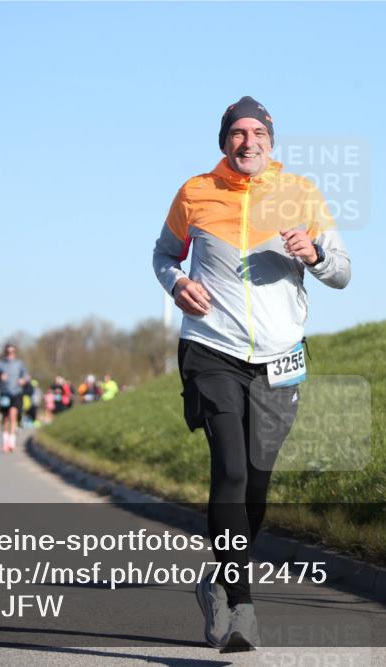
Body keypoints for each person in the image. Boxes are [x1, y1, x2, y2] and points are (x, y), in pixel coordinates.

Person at [152, 97, 351, 651]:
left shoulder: (300, 193)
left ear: (271, 140)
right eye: (238, 133)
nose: (248, 141)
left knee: (258, 487)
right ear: (224, 142)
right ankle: (241, 607)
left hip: (279, 358)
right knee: (232, 470)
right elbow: (164, 255)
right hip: (211, 349)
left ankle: (218, 579)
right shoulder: (195, 192)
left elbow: (343, 273)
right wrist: (177, 284)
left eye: (258, 132)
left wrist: (313, 255)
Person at [0, 343, 29, 453]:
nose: (10, 354)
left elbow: (26, 376)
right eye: (8, 352)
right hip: (4, 393)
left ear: (15, 353)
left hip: (16, 392)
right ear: (5, 352)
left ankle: (12, 442)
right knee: (5, 417)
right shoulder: (0, 364)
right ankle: (5, 440)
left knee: (13, 415)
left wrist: (23, 380)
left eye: (12, 352)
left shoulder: (19, 364)